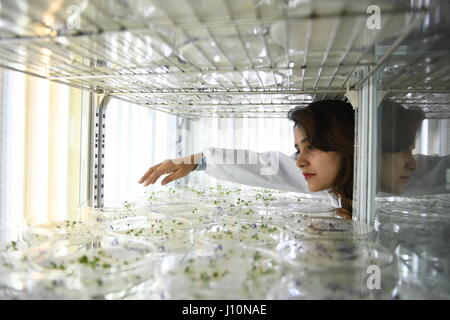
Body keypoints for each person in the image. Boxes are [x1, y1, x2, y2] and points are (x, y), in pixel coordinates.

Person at [139, 100, 355, 218]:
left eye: (312, 146)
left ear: (344, 142)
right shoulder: (337, 187)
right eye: (298, 150)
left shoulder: (385, 184)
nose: (299, 161)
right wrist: (196, 160)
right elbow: (270, 166)